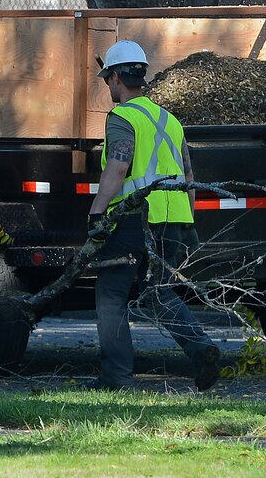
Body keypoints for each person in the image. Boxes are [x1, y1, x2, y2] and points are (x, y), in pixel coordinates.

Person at [86, 40, 220, 392]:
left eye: (107, 80)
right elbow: (189, 175)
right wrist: (189, 222)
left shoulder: (122, 118)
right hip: (171, 220)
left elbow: (117, 168)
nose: (109, 87)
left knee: (111, 295)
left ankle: (116, 378)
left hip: (133, 220)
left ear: (115, 77)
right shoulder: (169, 120)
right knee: (159, 293)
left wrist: (96, 214)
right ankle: (201, 348)